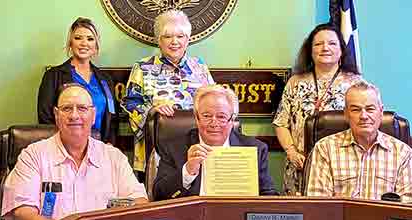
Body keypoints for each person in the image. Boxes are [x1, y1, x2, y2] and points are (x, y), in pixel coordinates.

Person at [3, 84, 147, 220]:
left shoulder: (114, 157)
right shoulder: (33, 156)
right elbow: (23, 216)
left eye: (82, 108)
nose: (74, 115)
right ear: (56, 116)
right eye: (66, 109)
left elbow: (140, 203)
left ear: (93, 115)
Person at [272, 23, 363, 195]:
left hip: (341, 168)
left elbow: (365, 124)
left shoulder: (356, 84)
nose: (325, 48)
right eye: (318, 44)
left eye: (332, 43)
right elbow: (281, 122)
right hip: (300, 165)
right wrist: (291, 152)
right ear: (310, 51)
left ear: (341, 50)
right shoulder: (295, 82)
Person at [123, 9, 216, 174]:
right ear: (159, 40)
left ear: (187, 40)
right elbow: (130, 102)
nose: (174, 42)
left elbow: (213, 101)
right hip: (155, 150)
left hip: (196, 148)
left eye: (180, 36)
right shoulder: (142, 67)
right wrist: (151, 109)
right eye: (168, 36)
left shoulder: (199, 66)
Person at [152, 85, 277, 199]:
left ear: (232, 120)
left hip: (237, 219)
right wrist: (188, 172)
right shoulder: (174, 147)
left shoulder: (255, 149)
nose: (214, 124)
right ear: (197, 118)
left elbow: (269, 196)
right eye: (206, 116)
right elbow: (159, 196)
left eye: (221, 117)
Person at [305, 82, 412, 201]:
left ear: (381, 112)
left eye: (370, 109)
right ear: (346, 114)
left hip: (384, 219)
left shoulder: (403, 153)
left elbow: (411, 208)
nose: (364, 116)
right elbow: (318, 204)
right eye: (356, 110)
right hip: (339, 219)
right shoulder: (325, 148)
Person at [37, 17, 118, 143]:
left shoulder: (105, 79)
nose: (84, 43)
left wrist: (109, 145)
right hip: (64, 147)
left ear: (96, 45)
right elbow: (45, 119)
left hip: (100, 148)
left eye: (90, 39)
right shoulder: (53, 76)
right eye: (78, 38)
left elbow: (112, 117)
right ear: (70, 43)